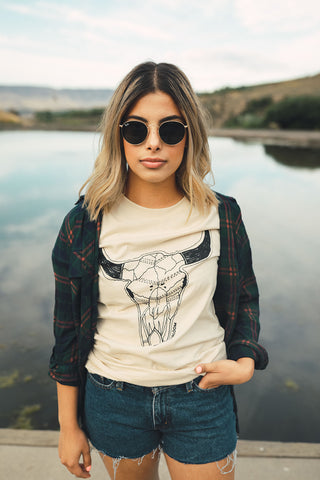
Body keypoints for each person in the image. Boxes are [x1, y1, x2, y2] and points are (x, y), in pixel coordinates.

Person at [49, 61, 268, 480]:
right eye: (136, 129)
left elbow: (245, 300)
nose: (153, 144)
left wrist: (245, 360)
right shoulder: (83, 223)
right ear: (119, 135)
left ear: (189, 136)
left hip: (202, 395)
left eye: (170, 130)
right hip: (114, 396)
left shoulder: (222, 216)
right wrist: (68, 426)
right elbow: (67, 334)